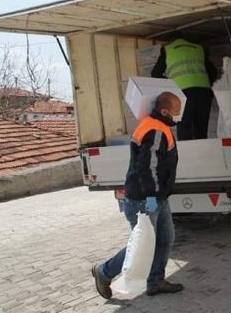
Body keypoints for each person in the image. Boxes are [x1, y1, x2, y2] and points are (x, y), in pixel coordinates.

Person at [92, 92, 184, 299]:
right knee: (143, 245)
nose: (179, 114)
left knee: (165, 238)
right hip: (144, 199)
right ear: (165, 111)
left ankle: (155, 281)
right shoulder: (155, 130)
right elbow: (147, 166)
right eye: (177, 110)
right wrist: (151, 195)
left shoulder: (158, 125)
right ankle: (104, 272)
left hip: (157, 197)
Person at [151, 37, 218, 140]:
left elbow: (155, 73)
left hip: (183, 93)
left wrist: (170, 86)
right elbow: (213, 72)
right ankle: (202, 150)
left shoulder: (168, 49)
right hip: (204, 93)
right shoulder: (198, 48)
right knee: (201, 130)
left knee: (184, 128)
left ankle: (187, 151)